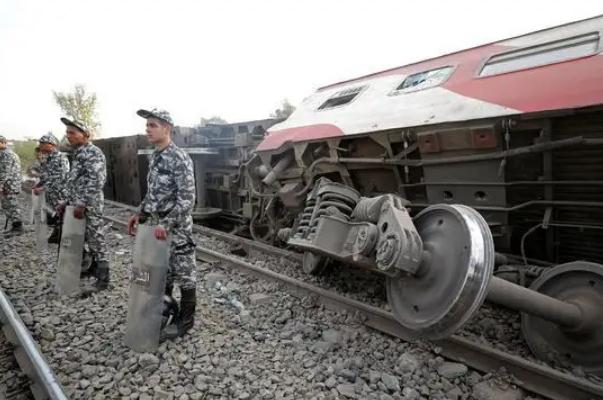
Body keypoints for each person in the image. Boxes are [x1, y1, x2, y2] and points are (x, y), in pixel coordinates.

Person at [128, 108, 197, 338]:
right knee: (162, 274)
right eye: (147, 125)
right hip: (157, 228)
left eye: (152, 125)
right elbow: (153, 193)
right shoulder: (155, 156)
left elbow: (188, 200)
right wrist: (140, 213)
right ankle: (162, 313)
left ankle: (186, 321)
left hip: (176, 230)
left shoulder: (179, 158)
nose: (147, 129)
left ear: (167, 128)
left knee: (185, 274)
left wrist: (166, 225)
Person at [57, 118, 109, 291]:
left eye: (72, 133)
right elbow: (75, 181)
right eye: (67, 132)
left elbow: (96, 180)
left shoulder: (93, 152)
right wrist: (67, 201)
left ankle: (103, 277)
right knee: (84, 237)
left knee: (96, 238)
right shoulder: (78, 153)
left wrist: (82, 203)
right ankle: (91, 268)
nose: (68, 136)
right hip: (78, 203)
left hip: (90, 204)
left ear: (85, 134)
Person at [33, 133, 70, 243]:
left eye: (42, 143)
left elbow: (61, 177)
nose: (40, 146)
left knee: (63, 214)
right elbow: (45, 175)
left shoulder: (61, 157)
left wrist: (43, 188)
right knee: (56, 214)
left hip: (60, 192)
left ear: (51, 144)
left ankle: (65, 237)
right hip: (51, 193)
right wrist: (38, 185)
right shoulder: (47, 159)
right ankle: (57, 234)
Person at [0, 135, 24, 237]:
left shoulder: (6, 154)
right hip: (9, 184)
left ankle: (18, 227)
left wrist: (0, 183)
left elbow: (5, 171)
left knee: (12, 205)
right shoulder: (5, 153)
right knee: (7, 205)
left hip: (10, 185)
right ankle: (14, 226)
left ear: (3, 143)